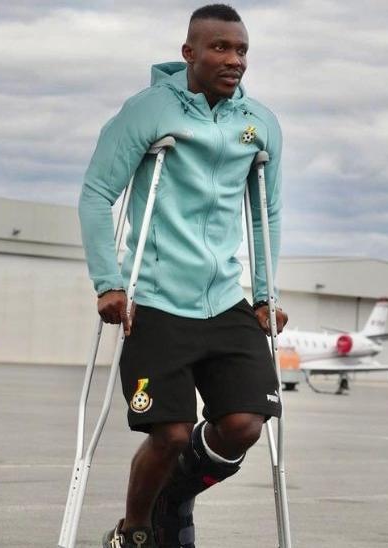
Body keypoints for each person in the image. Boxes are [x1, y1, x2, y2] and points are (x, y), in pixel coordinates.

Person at [77, 4, 288, 547]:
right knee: (168, 434)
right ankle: (136, 531)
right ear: (189, 52)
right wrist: (109, 282)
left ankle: (174, 495)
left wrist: (264, 294)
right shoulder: (146, 111)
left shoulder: (259, 123)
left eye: (241, 50)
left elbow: (267, 214)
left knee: (244, 426)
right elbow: (98, 193)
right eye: (220, 48)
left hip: (224, 300)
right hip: (156, 299)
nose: (234, 60)